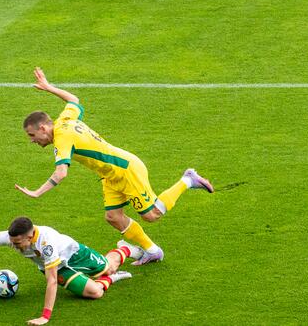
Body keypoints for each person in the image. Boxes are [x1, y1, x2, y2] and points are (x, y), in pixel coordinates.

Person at [15, 67, 214, 265]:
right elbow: (74, 100)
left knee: (152, 215)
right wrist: (49, 87)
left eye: (32, 135)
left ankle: (188, 180)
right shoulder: (64, 120)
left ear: (42, 128)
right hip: (110, 175)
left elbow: (61, 173)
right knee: (113, 217)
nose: (32, 141)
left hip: (125, 170)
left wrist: (37, 192)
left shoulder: (62, 139)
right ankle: (153, 251)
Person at [0, 216, 136, 326]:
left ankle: (126, 249)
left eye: (17, 243)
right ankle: (113, 279)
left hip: (75, 254)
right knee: (95, 292)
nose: (13, 245)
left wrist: (45, 316)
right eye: (12, 242)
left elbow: (52, 281)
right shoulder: (14, 236)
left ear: (29, 237)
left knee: (109, 267)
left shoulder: (45, 245)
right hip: (58, 266)